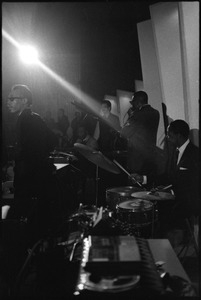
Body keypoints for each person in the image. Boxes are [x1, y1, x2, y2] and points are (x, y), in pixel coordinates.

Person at [6, 84, 58, 243]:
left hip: (29, 177)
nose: (8, 102)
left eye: (12, 99)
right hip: (38, 175)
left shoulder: (25, 119)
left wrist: (16, 157)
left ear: (24, 100)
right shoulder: (34, 117)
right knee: (37, 217)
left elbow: (25, 150)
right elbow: (52, 140)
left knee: (28, 218)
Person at [131, 120, 199, 239]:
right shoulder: (175, 152)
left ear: (178, 135)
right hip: (177, 197)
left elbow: (194, 184)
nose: (167, 137)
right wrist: (143, 178)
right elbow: (168, 176)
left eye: (169, 134)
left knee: (161, 211)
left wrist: (171, 192)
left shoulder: (195, 154)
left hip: (189, 200)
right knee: (153, 205)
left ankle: (165, 243)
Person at [121, 91, 160, 174]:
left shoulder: (137, 115)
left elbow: (124, 133)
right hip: (150, 156)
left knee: (135, 184)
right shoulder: (156, 113)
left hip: (137, 159)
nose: (132, 105)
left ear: (138, 102)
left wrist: (130, 116)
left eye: (133, 102)